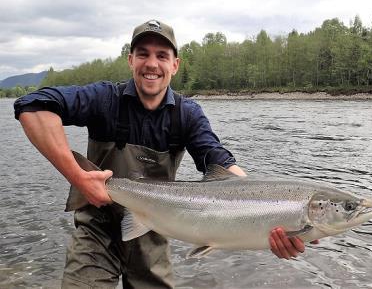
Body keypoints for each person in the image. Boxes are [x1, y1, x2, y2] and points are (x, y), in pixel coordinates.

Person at [14, 19, 314, 288]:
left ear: (175, 65)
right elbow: (32, 106)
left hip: (156, 226)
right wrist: (78, 177)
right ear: (131, 60)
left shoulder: (187, 114)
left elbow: (216, 160)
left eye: (162, 55)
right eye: (143, 53)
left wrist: (265, 215)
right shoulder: (104, 98)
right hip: (96, 229)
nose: (152, 64)